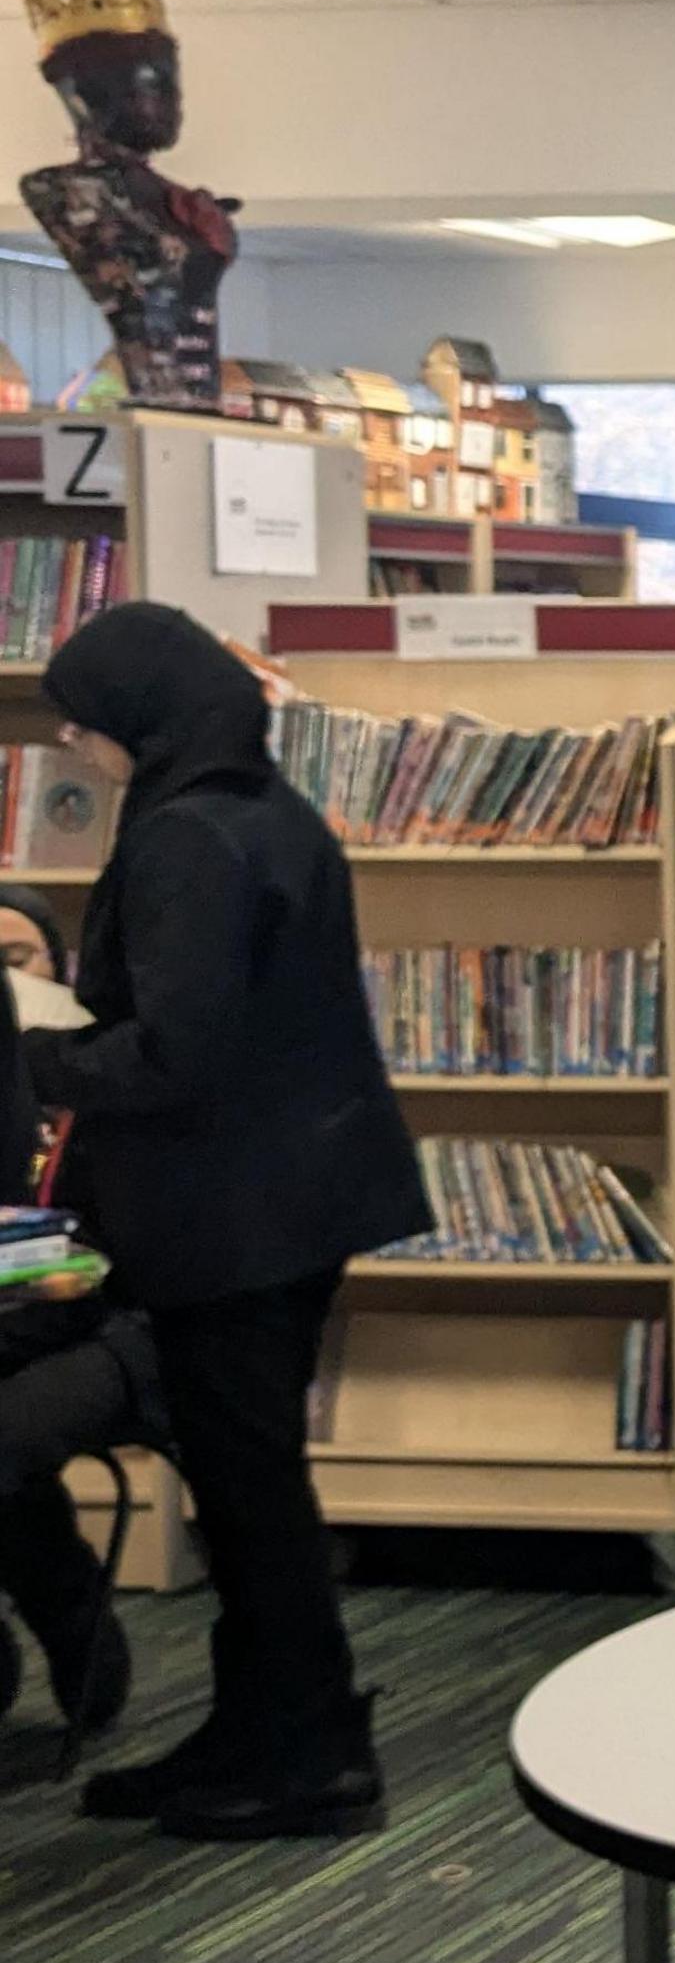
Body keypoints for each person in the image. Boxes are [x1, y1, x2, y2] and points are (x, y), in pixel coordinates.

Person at [24, 602, 430, 1841]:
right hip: (288, 1198)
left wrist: (35, 1051)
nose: (79, 751)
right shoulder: (264, 808)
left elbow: (175, 1054)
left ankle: (306, 1749)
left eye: (86, 726)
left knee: (252, 1490)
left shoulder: (188, 836)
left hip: (235, 1215)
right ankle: (267, 1726)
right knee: (253, 1482)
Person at [0, 891, 150, 1750]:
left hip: (96, 1314)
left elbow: (103, 1252)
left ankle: (68, 1608)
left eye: (20, 958)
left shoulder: (93, 1078)